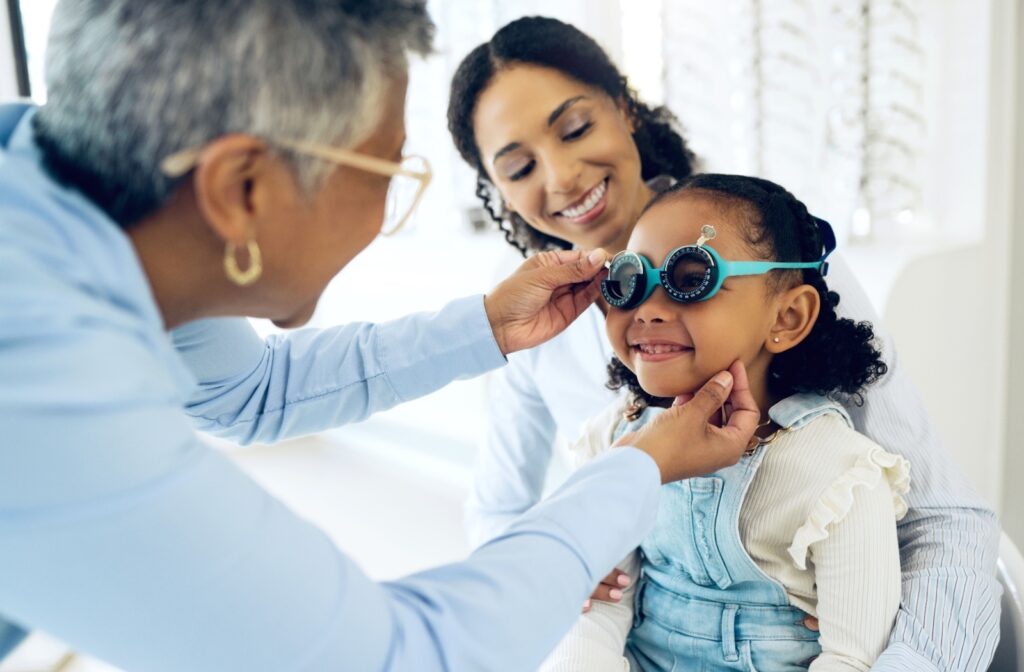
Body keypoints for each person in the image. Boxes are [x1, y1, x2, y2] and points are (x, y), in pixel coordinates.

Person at [0, 3, 762, 671]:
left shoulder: (57, 183)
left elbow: (245, 393)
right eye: (386, 171)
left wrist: (487, 326)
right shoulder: (36, 385)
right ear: (241, 191)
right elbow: (405, 656)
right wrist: (638, 469)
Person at [447, 15, 1002, 670]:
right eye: (518, 166)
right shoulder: (530, 315)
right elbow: (499, 508)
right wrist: (544, 569)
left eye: (575, 129)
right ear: (496, 191)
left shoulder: (775, 256)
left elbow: (944, 519)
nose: (562, 176)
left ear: (624, 108)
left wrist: (880, 642)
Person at [543, 174, 911, 671]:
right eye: (628, 281)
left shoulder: (839, 474)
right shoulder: (619, 439)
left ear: (787, 318)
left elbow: (852, 657)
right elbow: (601, 605)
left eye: (692, 279)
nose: (648, 310)